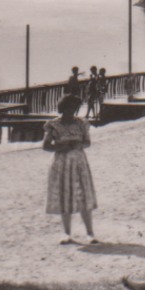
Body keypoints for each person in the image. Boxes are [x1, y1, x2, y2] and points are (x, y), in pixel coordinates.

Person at [43, 94, 97, 245]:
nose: (72, 111)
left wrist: (79, 145)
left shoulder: (82, 123)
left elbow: (87, 142)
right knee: (64, 196)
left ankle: (90, 233)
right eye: (69, 108)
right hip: (62, 164)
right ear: (63, 108)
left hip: (79, 163)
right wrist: (60, 146)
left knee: (84, 195)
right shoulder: (53, 125)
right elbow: (46, 146)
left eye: (74, 108)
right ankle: (66, 233)